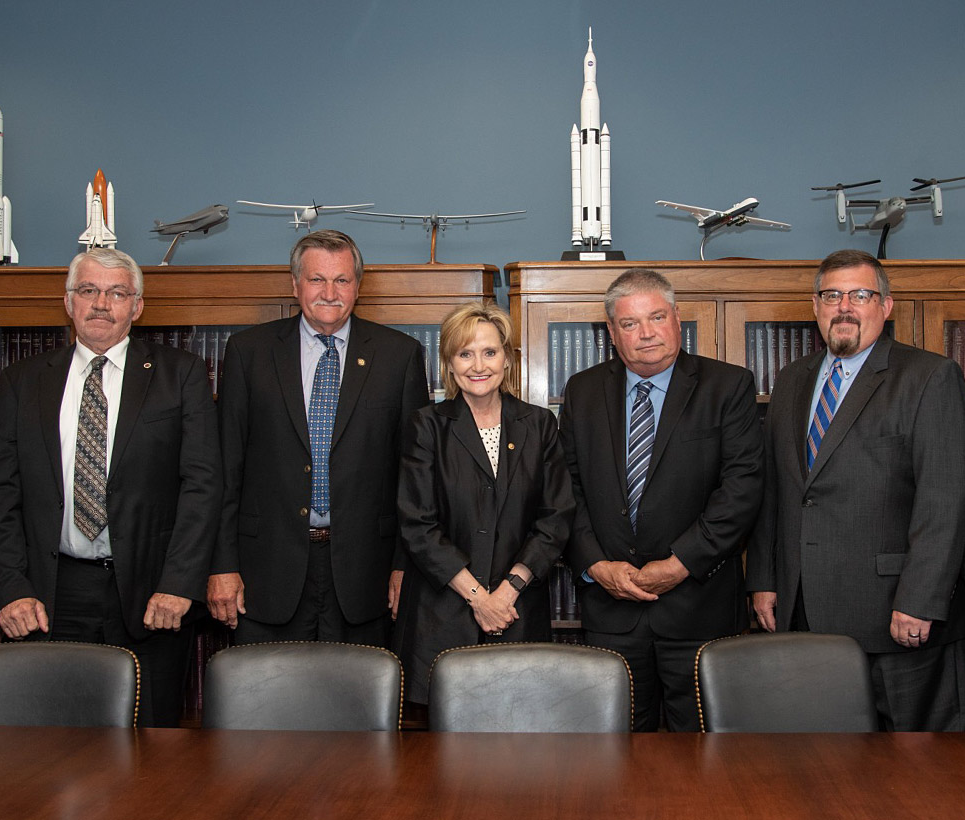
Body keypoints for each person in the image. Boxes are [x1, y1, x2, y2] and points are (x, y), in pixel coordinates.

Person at [0, 247, 221, 727]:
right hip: (50, 596)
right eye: (88, 290)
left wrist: (178, 585)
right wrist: (11, 589)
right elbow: (1, 497)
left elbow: (202, 486)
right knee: (54, 740)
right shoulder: (22, 381)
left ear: (137, 306)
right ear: (68, 302)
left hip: (152, 597)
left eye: (117, 293)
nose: (101, 304)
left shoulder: (182, 375)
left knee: (151, 746)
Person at [748, 249, 965, 731]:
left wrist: (919, 599)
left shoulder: (929, 377)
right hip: (803, 609)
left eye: (860, 294)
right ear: (816, 305)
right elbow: (777, 491)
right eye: (832, 295)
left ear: (886, 306)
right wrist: (766, 580)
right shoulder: (792, 380)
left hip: (896, 615)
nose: (844, 306)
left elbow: (946, 501)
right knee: (821, 763)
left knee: (914, 775)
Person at [559, 268, 763, 731]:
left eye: (656, 318)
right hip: (611, 608)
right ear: (612, 333)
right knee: (618, 752)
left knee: (703, 751)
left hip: (699, 606)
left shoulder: (727, 386)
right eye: (629, 324)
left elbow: (742, 489)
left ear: (676, 318)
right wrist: (595, 565)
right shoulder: (582, 391)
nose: (646, 333)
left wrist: (678, 565)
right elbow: (565, 489)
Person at [208, 230, 429, 647]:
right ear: (295, 285)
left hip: (367, 574)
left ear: (357, 287)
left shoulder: (399, 356)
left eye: (342, 280)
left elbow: (413, 478)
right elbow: (225, 468)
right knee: (267, 706)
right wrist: (221, 565)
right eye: (316, 279)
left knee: (359, 705)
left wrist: (405, 566)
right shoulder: (248, 352)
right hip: (264, 572)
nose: (330, 292)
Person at [394, 302, 574, 703]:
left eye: (490, 352)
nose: (479, 365)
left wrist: (506, 593)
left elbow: (556, 517)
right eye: (465, 353)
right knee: (442, 755)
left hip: (518, 610)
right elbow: (418, 524)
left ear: (507, 360)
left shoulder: (540, 425)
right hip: (442, 615)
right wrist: (479, 598)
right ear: (450, 364)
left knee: (518, 744)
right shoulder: (427, 426)